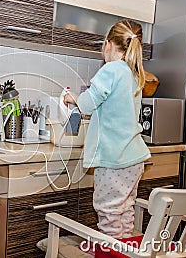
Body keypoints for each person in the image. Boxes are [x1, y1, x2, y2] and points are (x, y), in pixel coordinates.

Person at [64, 20, 151, 239]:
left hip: (115, 159)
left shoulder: (111, 70)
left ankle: (112, 253)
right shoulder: (134, 73)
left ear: (108, 44)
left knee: (109, 213)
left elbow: (86, 104)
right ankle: (125, 250)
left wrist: (73, 98)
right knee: (125, 210)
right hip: (135, 157)